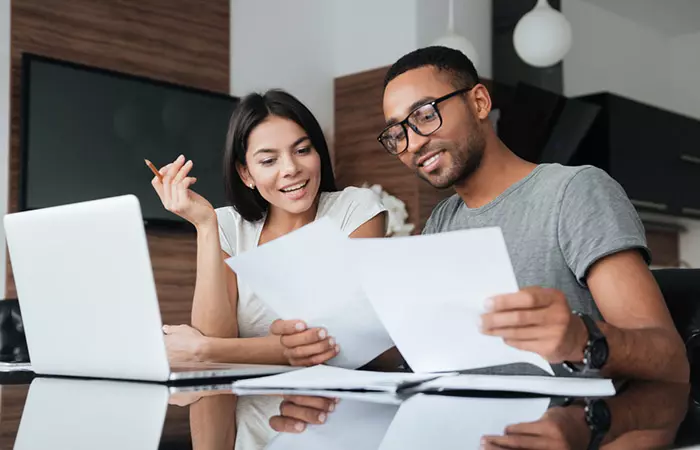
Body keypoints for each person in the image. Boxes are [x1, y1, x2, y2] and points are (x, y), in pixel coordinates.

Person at [273, 47, 689, 382]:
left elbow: (669, 358)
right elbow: (425, 353)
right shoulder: (442, 220)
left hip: (570, 426)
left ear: (478, 101)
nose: (413, 143)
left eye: (424, 115)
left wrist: (582, 338)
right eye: (397, 133)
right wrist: (329, 343)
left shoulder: (574, 191)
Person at [149, 89, 388, 367]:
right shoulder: (227, 225)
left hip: (332, 404)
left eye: (302, 150)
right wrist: (204, 226)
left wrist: (204, 349)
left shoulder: (355, 209)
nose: (290, 168)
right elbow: (215, 337)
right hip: (246, 406)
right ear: (246, 173)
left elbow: (338, 340)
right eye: (268, 160)